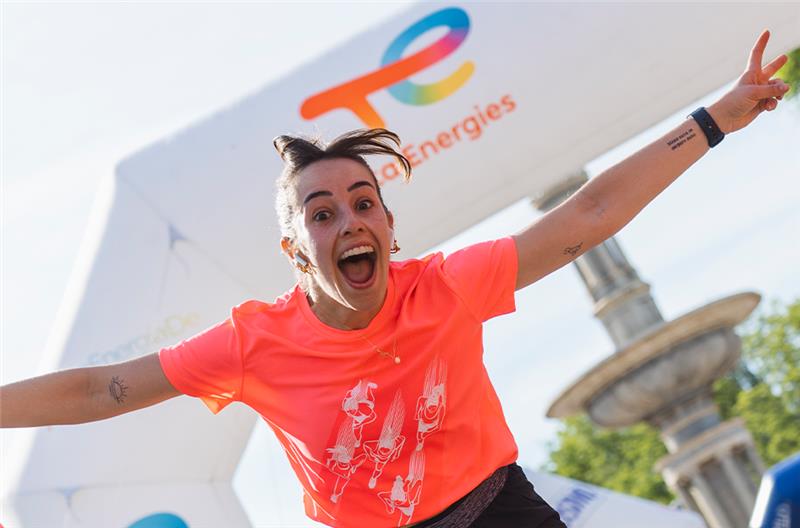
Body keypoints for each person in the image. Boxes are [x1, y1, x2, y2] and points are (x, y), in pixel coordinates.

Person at [0, 31, 790, 528]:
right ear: (295, 252)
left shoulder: (446, 287)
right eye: (321, 214)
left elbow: (589, 213)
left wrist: (715, 118)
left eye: (363, 202)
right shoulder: (252, 343)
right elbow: (102, 390)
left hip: (499, 513)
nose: (348, 221)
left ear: (388, 226)